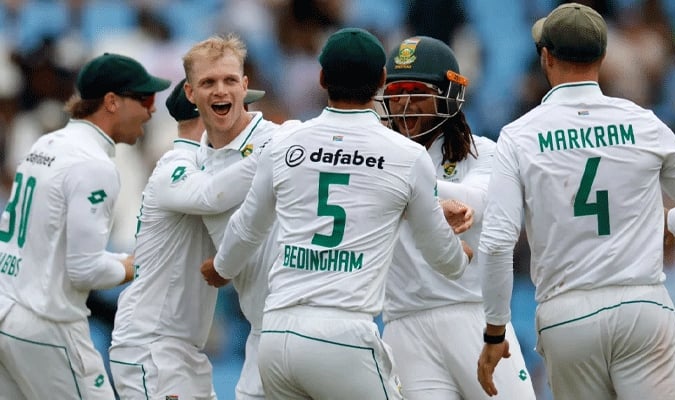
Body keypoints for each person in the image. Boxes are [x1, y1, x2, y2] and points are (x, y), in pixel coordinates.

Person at [200, 27, 472, 400]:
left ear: (322, 78)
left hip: (277, 335)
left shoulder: (284, 144)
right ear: (380, 80)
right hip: (343, 335)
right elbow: (442, 258)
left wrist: (221, 268)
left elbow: (247, 227)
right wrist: (459, 258)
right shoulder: (406, 155)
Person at [475, 3, 675, 399]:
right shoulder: (643, 122)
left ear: (546, 57)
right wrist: (672, 223)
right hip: (641, 304)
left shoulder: (519, 135)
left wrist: (495, 330)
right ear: (602, 56)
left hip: (566, 315)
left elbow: (495, 244)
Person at [0, 52, 170, 399]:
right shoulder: (94, 165)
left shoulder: (46, 144)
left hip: (7, 311)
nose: (152, 110)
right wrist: (132, 266)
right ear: (111, 102)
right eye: (144, 98)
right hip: (47, 323)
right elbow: (84, 270)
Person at [376, 35, 536, 399]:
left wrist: (401, 184)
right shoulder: (377, 160)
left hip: (471, 313)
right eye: (396, 91)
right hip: (404, 325)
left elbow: (477, 203)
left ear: (448, 94)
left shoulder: (483, 153)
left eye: (416, 91)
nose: (403, 103)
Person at [108, 78, 266, 399]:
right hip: (151, 345)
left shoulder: (211, 165)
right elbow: (211, 195)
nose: (248, 117)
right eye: (236, 108)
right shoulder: (176, 166)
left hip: (183, 348)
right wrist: (273, 154)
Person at [183, 34, 285, 400]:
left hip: (310, 320)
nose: (220, 91)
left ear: (245, 86)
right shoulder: (191, 167)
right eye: (207, 82)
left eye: (229, 81)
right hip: (261, 334)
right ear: (190, 93)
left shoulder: (285, 141)